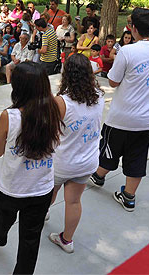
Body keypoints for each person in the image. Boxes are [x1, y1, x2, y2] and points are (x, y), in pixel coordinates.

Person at [90, 8, 149, 212]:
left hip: (122, 116)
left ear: (133, 28)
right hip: (148, 119)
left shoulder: (127, 51)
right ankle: (129, 196)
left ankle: (98, 176)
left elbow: (113, 81)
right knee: (137, 155)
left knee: (109, 148)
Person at [0, 61, 60, 273]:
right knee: (31, 239)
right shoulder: (54, 112)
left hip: (11, 187)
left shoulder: (9, 116)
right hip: (42, 188)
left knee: (2, 222)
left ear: (17, 87)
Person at [48, 54, 105, 253]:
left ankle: (40, 217)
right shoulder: (99, 96)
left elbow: (50, 132)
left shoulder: (61, 102)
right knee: (73, 201)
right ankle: (67, 240)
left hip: (62, 161)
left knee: (48, 194)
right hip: (87, 161)